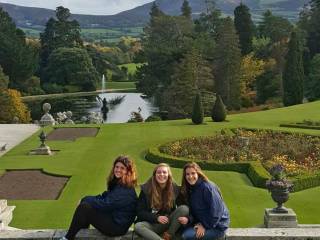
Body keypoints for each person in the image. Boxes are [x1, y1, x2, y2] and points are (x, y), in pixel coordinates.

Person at [59, 156, 138, 240]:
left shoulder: (125, 189)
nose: (118, 170)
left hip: (117, 227)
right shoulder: (118, 183)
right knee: (87, 208)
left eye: (122, 168)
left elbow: (105, 204)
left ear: (128, 171)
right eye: (116, 167)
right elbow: (104, 196)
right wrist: (86, 199)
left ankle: (67, 238)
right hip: (115, 219)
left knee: (84, 208)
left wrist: (84, 199)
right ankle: (80, 236)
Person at [135, 163, 189, 240]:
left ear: (168, 175)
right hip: (151, 224)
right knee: (138, 226)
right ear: (154, 175)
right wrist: (157, 218)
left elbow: (182, 209)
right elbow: (140, 212)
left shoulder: (175, 189)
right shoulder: (146, 189)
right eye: (159, 172)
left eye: (164, 172)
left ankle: (168, 235)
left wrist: (187, 219)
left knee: (184, 208)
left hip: (167, 222)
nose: (161, 174)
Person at [179, 162, 230, 240]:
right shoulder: (191, 188)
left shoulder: (208, 187)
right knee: (180, 231)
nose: (190, 176)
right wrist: (189, 220)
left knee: (186, 235)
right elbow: (195, 211)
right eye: (187, 174)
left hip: (217, 226)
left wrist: (204, 226)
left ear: (198, 173)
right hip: (202, 222)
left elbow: (217, 212)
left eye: (193, 173)